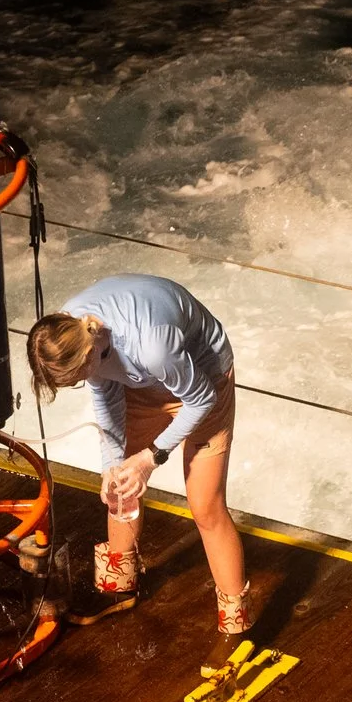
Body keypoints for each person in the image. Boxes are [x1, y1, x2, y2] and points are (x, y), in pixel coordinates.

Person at [24, 274, 250, 653]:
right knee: (120, 484)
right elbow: (105, 393)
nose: (84, 381)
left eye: (79, 377)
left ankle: (236, 625)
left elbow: (201, 399)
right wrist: (112, 463)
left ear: (90, 353)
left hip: (203, 381)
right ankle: (119, 588)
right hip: (144, 383)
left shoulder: (152, 344)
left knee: (205, 505)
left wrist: (151, 457)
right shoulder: (72, 331)